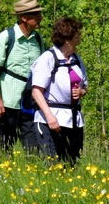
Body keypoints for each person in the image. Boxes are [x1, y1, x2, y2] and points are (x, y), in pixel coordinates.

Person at [0, 0, 45, 152]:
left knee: (33, 150)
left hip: (30, 104)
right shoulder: (5, 38)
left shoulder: (38, 39)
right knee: (5, 148)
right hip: (7, 103)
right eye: (36, 15)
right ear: (24, 18)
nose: (41, 18)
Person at [31, 17, 88, 165]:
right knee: (53, 165)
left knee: (72, 164)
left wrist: (82, 91)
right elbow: (36, 91)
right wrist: (49, 117)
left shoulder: (76, 59)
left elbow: (85, 85)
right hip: (50, 119)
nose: (79, 39)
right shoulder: (47, 59)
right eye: (77, 36)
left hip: (73, 119)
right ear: (67, 38)